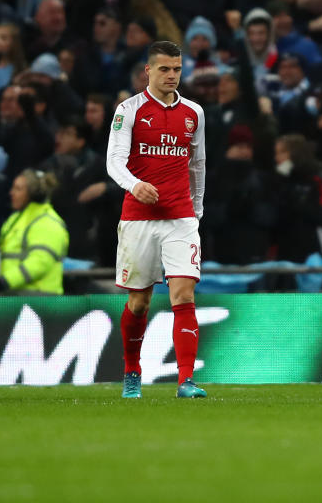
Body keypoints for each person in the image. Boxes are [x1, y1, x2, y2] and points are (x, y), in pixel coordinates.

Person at [106, 41, 207, 399]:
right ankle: (132, 369)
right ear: (148, 71)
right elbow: (114, 161)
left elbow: (197, 165)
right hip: (139, 219)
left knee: (183, 293)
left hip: (181, 218)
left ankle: (185, 381)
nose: (172, 76)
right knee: (140, 303)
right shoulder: (129, 110)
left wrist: (196, 209)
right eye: (165, 69)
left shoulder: (194, 113)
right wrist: (135, 185)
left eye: (177, 69)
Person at [0, 170, 68, 295]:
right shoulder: (15, 218)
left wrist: (2, 282)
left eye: (18, 189)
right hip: (14, 296)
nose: (11, 193)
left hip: (40, 301)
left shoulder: (47, 222)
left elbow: (39, 263)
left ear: (33, 194)